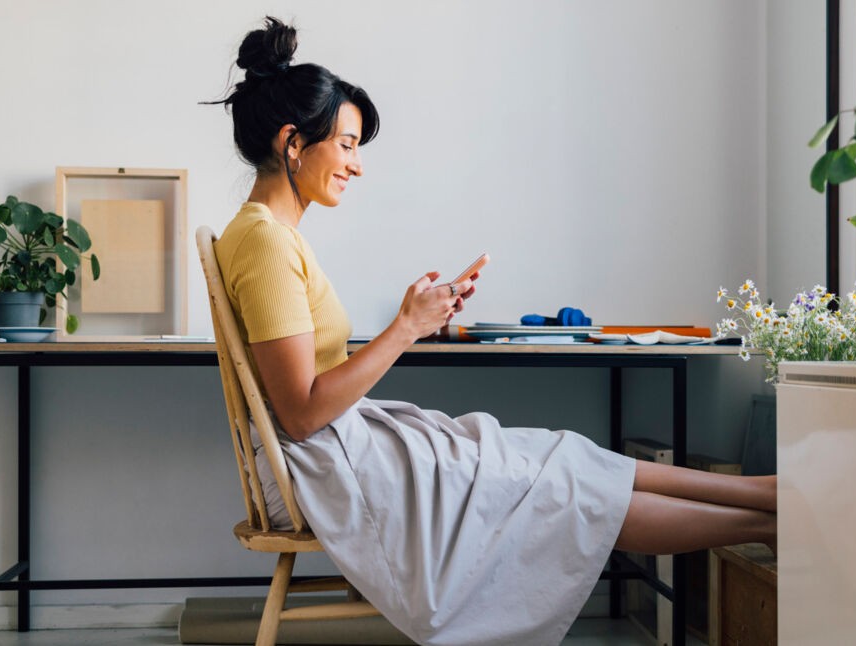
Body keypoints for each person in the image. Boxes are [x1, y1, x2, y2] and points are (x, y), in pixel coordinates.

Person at [211, 17, 776, 646]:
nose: (357, 165)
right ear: (294, 143)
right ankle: (771, 520)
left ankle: (765, 496)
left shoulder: (271, 234)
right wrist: (405, 329)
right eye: (346, 145)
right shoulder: (264, 241)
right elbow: (300, 414)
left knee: (563, 456)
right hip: (317, 467)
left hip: (338, 447)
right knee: (561, 491)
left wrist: (415, 320)